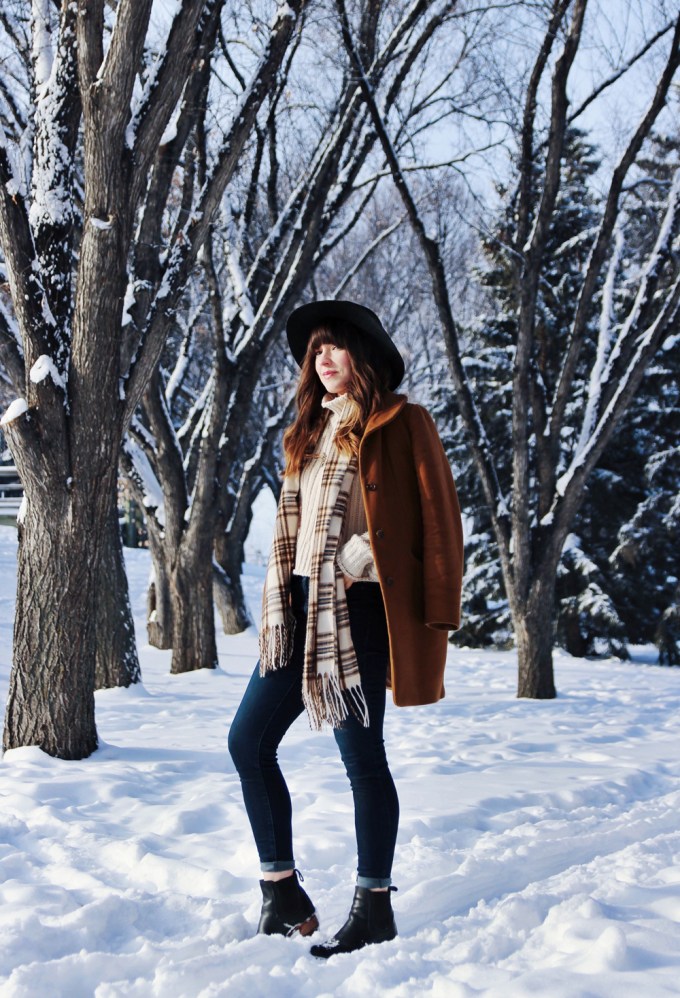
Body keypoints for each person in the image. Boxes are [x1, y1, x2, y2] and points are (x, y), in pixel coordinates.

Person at [228, 299, 463, 958]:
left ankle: (374, 906)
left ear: (363, 354)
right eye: (315, 351)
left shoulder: (403, 421)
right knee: (247, 743)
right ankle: (282, 894)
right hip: (299, 606)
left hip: (357, 609)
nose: (323, 359)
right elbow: (296, 526)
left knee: (362, 761)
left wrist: (361, 558)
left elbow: (437, 517)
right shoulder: (309, 430)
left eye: (334, 346)